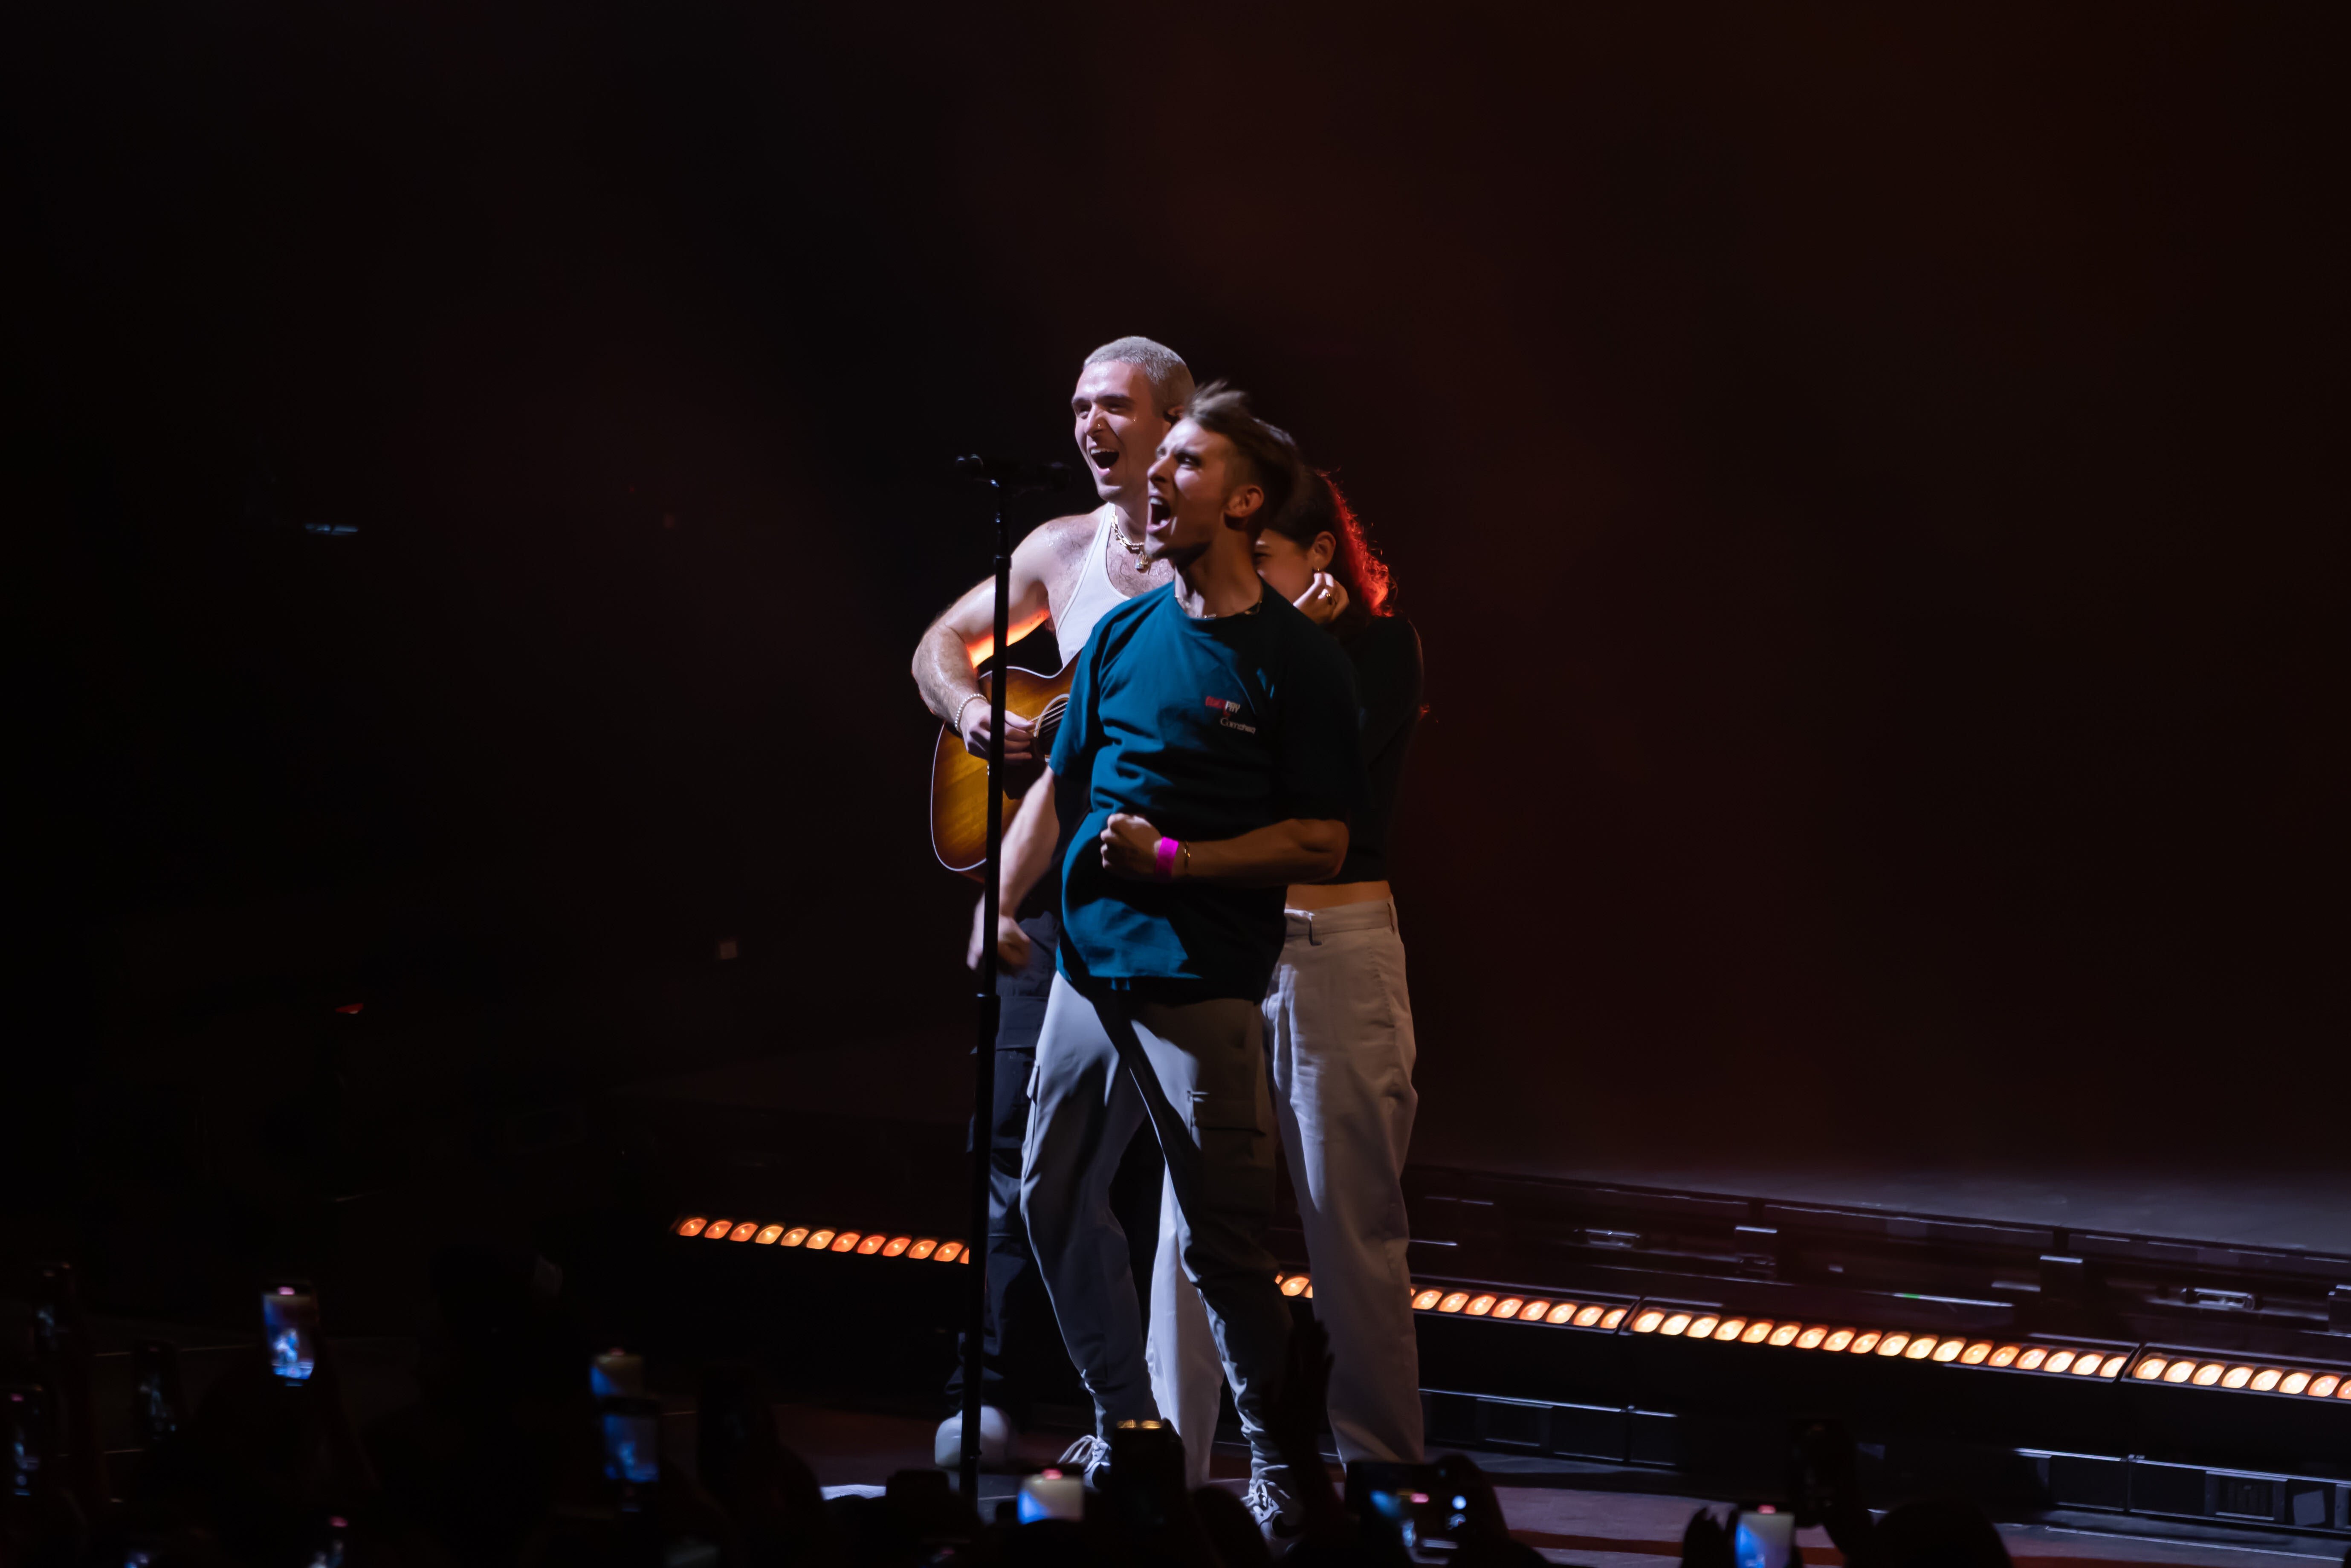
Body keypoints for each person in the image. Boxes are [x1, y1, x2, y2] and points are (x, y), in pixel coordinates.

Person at [988, 383, 1368, 1532]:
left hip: (1200, 980)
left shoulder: (1296, 663)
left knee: (1222, 1241)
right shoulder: (1119, 641)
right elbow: (1062, 782)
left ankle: (1282, 1468)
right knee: (1053, 1196)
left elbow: (1322, 834)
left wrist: (1178, 862)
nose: (1157, 479)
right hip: (1086, 974)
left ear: (1245, 499)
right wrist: (999, 905)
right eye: (1163, 467)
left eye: (1187, 464)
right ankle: (1131, 1426)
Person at [909, 336, 1194, 1467]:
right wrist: (974, 708)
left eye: (1114, 404)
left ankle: (1149, 1421)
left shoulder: (1206, 567)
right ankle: (997, 1384)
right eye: (1078, 404)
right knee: (1017, 1146)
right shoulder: (1059, 548)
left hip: (1166, 905)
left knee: (1166, 1178)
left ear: (1173, 417)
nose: (1088, 425)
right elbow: (938, 646)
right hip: (1059, 904)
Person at [1145, 468, 1426, 1486]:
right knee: (1196, 1221)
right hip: (1225, 954)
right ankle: (1169, 1472)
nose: (1235, 576)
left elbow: (1308, 798)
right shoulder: (1222, 653)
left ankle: (1382, 1478)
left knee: (1347, 1226)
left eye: (1258, 557)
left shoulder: (1380, 653)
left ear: (1317, 561)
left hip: (1332, 955)